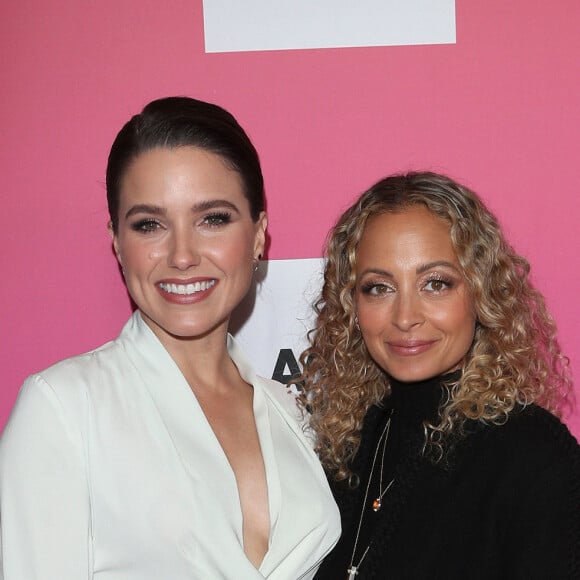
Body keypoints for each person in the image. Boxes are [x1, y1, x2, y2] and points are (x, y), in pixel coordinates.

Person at [0, 96, 340, 579]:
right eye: (150, 224)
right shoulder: (66, 409)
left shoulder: (294, 414)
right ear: (118, 242)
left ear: (260, 234)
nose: (182, 255)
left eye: (212, 219)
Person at [298, 172, 580, 579]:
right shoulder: (348, 451)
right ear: (351, 306)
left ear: (481, 292)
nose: (406, 317)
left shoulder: (533, 456)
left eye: (435, 283)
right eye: (379, 288)